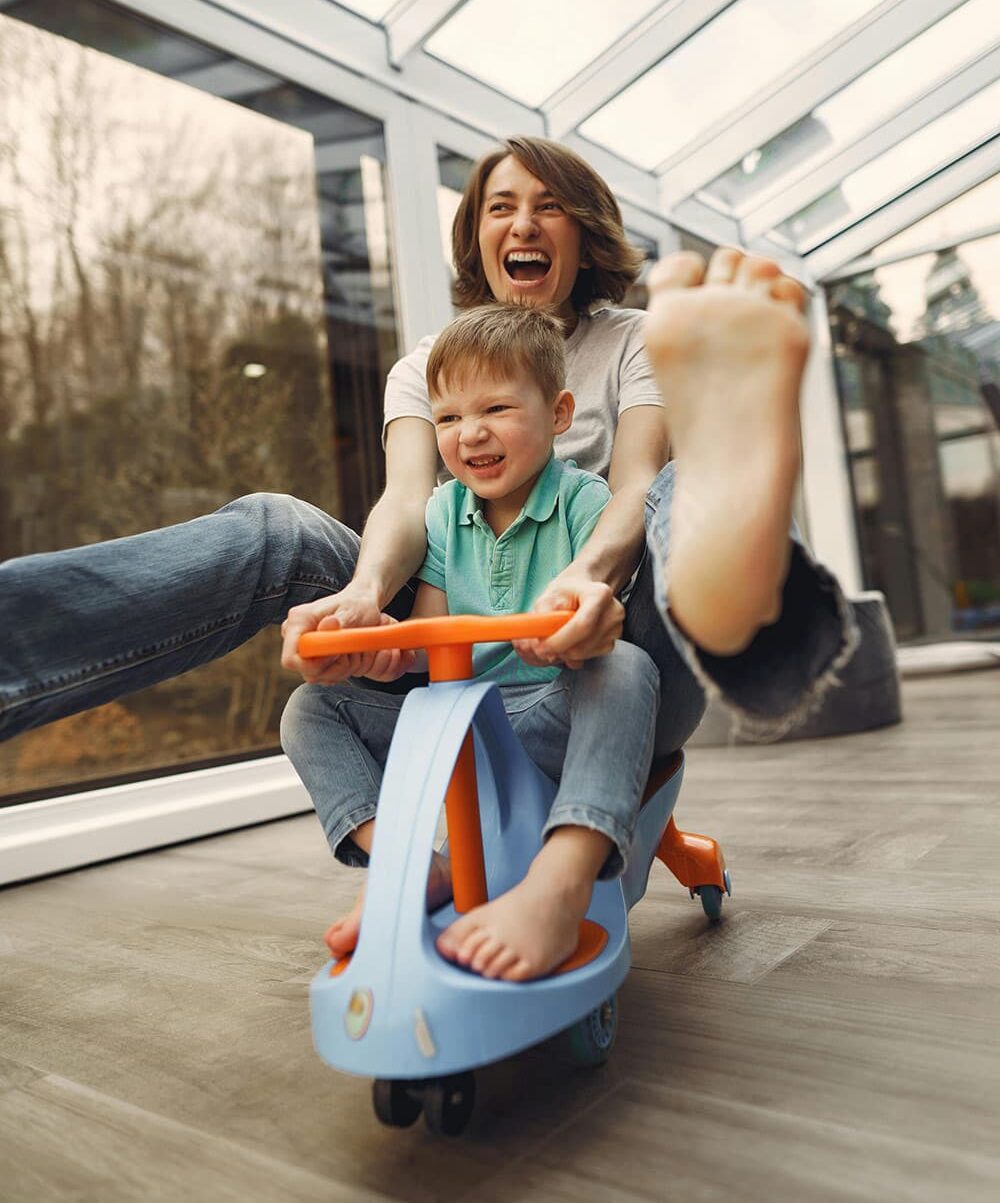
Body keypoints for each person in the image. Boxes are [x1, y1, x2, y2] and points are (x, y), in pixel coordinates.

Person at [1, 135, 854, 885]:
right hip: (467, 642)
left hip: (615, 637)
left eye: (549, 206)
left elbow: (632, 482)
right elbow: (409, 499)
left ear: (583, 232)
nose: (523, 223)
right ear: (476, 234)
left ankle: (743, 606)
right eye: (501, 207)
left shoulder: (641, 338)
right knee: (276, 527)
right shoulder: (425, 365)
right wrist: (367, 594)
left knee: (682, 481)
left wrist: (587, 580)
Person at [280, 303, 661, 982]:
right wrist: (389, 653)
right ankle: (407, 866)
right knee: (310, 710)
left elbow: (598, 626)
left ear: (560, 413)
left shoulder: (584, 502)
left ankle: (563, 879)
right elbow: (431, 642)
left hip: (547, 710)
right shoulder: (441, 511)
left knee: (628, 670)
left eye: (496, 409)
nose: (471, 433)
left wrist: (571, 640)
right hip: (457, 719)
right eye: (449, 418)